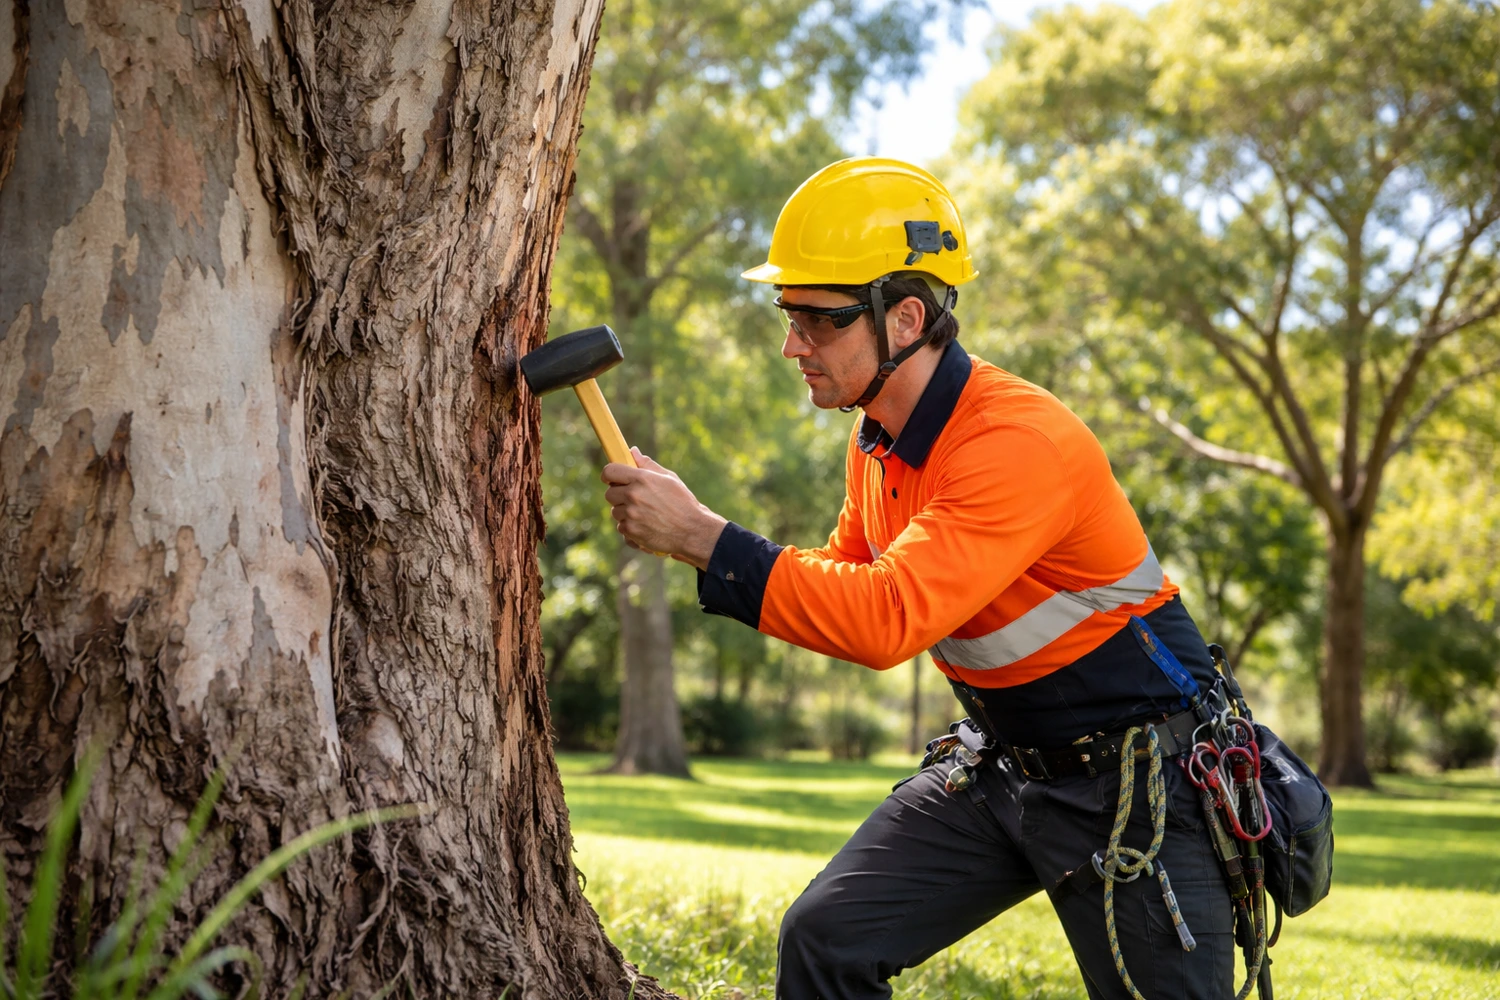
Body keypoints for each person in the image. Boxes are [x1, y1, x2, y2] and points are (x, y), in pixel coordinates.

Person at [601, 157, 1237, 999]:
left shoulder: (1014, 443)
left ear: (905, 318)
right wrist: (702, 535)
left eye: (818, 321)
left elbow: (884, 619)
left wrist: (707, 540)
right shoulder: (877, 437)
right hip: (1008, 764)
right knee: (827, 940)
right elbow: (848, 575)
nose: (793, 344)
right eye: (786, 315)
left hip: (1142, 786)